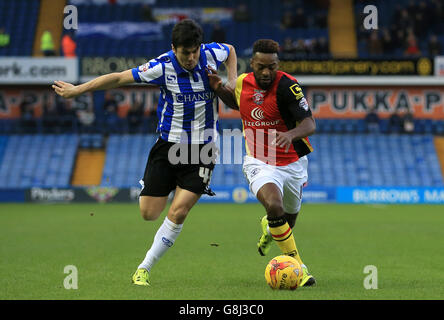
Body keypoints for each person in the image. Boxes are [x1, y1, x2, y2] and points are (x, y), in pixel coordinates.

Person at [52, 19, 238, 286]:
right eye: (185, 53)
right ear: (174, 48)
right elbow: (118, 78)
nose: (191, 57)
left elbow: (230, 49)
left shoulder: (209, 54)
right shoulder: (161, 66)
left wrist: (231, 81)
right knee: (149, 213)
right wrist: (77, 90)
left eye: (194, 51)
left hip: (203, 148)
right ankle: (166, 182)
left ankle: (144, 267)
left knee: (178, 212)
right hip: (168, 146)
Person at [206, 39, 316, 287]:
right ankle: (299, 266)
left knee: (288, 220)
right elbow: (238, 103)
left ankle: (270, 229)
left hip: (293, 164)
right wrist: (218, 87)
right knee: (274, 205)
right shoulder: (244, 81)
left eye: (272, 66)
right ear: (252, 63)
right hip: (259, 161)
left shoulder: (288, 86)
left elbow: (310, 124)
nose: (267, 72)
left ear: (278, 64)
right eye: (262, 66)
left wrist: (290, 134)